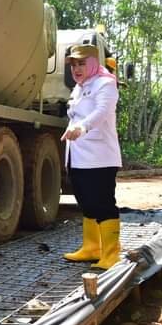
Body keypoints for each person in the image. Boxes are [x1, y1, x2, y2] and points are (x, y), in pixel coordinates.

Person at [61, 44, 123, 270]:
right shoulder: (79, 87)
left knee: (103, 202)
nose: (76, 68)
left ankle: (111, 253)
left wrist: (82, 127)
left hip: (100, 157)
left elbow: (102, 112)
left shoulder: (105, 84)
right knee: (86, 202)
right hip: (77, 156)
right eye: (74, 64)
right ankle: (91, 248)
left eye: (81, 63)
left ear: (93, 63)